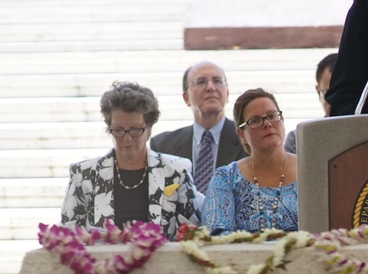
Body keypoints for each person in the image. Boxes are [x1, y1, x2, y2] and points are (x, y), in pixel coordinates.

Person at [61, 81, 199, 240]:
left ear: (149, 129)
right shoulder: (83, 175)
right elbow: (68, 236)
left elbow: (192, 233)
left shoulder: (176, 170)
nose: (126, 138)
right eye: (118, 130)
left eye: (135, 130)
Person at [202, 88, 298, 233]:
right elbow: (216, 235)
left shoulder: (312, 170)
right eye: (255, 120)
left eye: (272, 116)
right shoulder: (226, 178)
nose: (267, 124)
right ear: (241, 134)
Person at [149, 60, 247, 193]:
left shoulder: (248, 140)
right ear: (186, 97)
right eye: (201, 82)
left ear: (227, 94)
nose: (211, 87)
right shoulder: (162, 146)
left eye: (218, 81)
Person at [285, 52, 337, 153]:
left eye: (344, 92)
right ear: (318, 91)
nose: (336, 100)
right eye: (329, 92)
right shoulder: (298, 141)